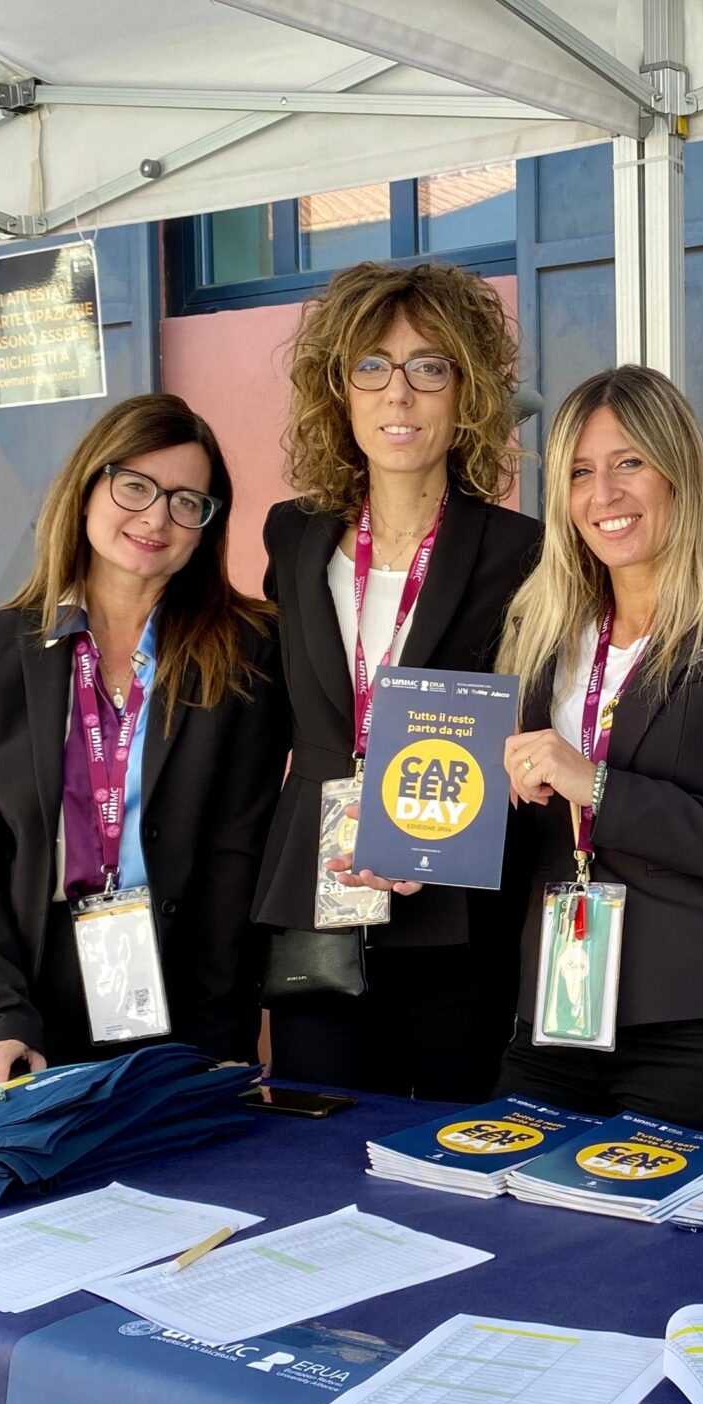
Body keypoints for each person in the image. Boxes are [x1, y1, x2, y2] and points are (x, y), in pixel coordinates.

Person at [495, 365, 703, 1145]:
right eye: (580, 472)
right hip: (552, 1023)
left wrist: (602, 788)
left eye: (629, 463)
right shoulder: (538, 634)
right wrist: (421, 841)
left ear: (679, 471)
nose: (603, 494)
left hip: (697, 1034)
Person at [0, 393, 288, 1092]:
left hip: (179, 993)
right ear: (88, 486)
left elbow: (235, 856)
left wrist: (217, 1032)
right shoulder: (2, 648)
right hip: (22, 996)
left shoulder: (246, 649)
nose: (156, 517)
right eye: (135, 486)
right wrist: (0, 1013)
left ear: (206, 526)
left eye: (188, 501)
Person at [252, 261, 540, 1097]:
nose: (398, 393)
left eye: (429, 367)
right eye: (371, 366)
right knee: (313, 1151)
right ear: (340, 391)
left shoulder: (522, 553)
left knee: (447, 1159)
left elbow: (527, 727)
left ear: (467, 394)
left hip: (453, 912)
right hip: (322, 900)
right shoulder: (294, 537)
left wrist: (433, 829)